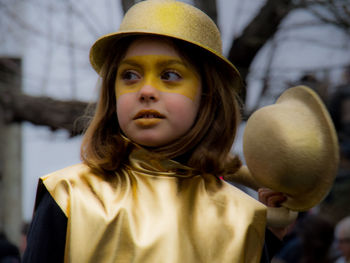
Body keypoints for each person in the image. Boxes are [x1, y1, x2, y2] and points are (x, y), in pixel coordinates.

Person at [22, 1, 292, 262]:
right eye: (129, 75)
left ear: (208, 95)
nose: (147, 91)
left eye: (170, 75)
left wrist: (265, 238)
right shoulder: (68, 195)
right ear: (112, 94)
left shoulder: (245, 218)